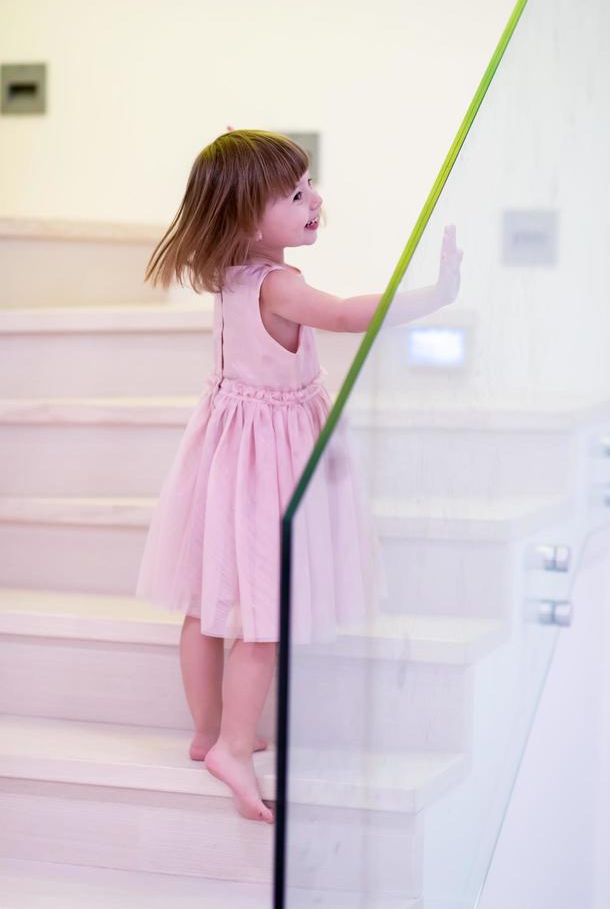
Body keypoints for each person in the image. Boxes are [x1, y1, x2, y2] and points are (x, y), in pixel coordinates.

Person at [134, 128, 463, 825]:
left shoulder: (231, 276)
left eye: (308, 184)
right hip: (267, 462)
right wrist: (432, 295)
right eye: (293, 194)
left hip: (224, 452)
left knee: (205, 603)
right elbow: (346, 316)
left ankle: (205, 731)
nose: (315, 200)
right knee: (262, 615)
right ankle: (231, 746)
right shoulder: (280, 285)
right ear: (248, 220)